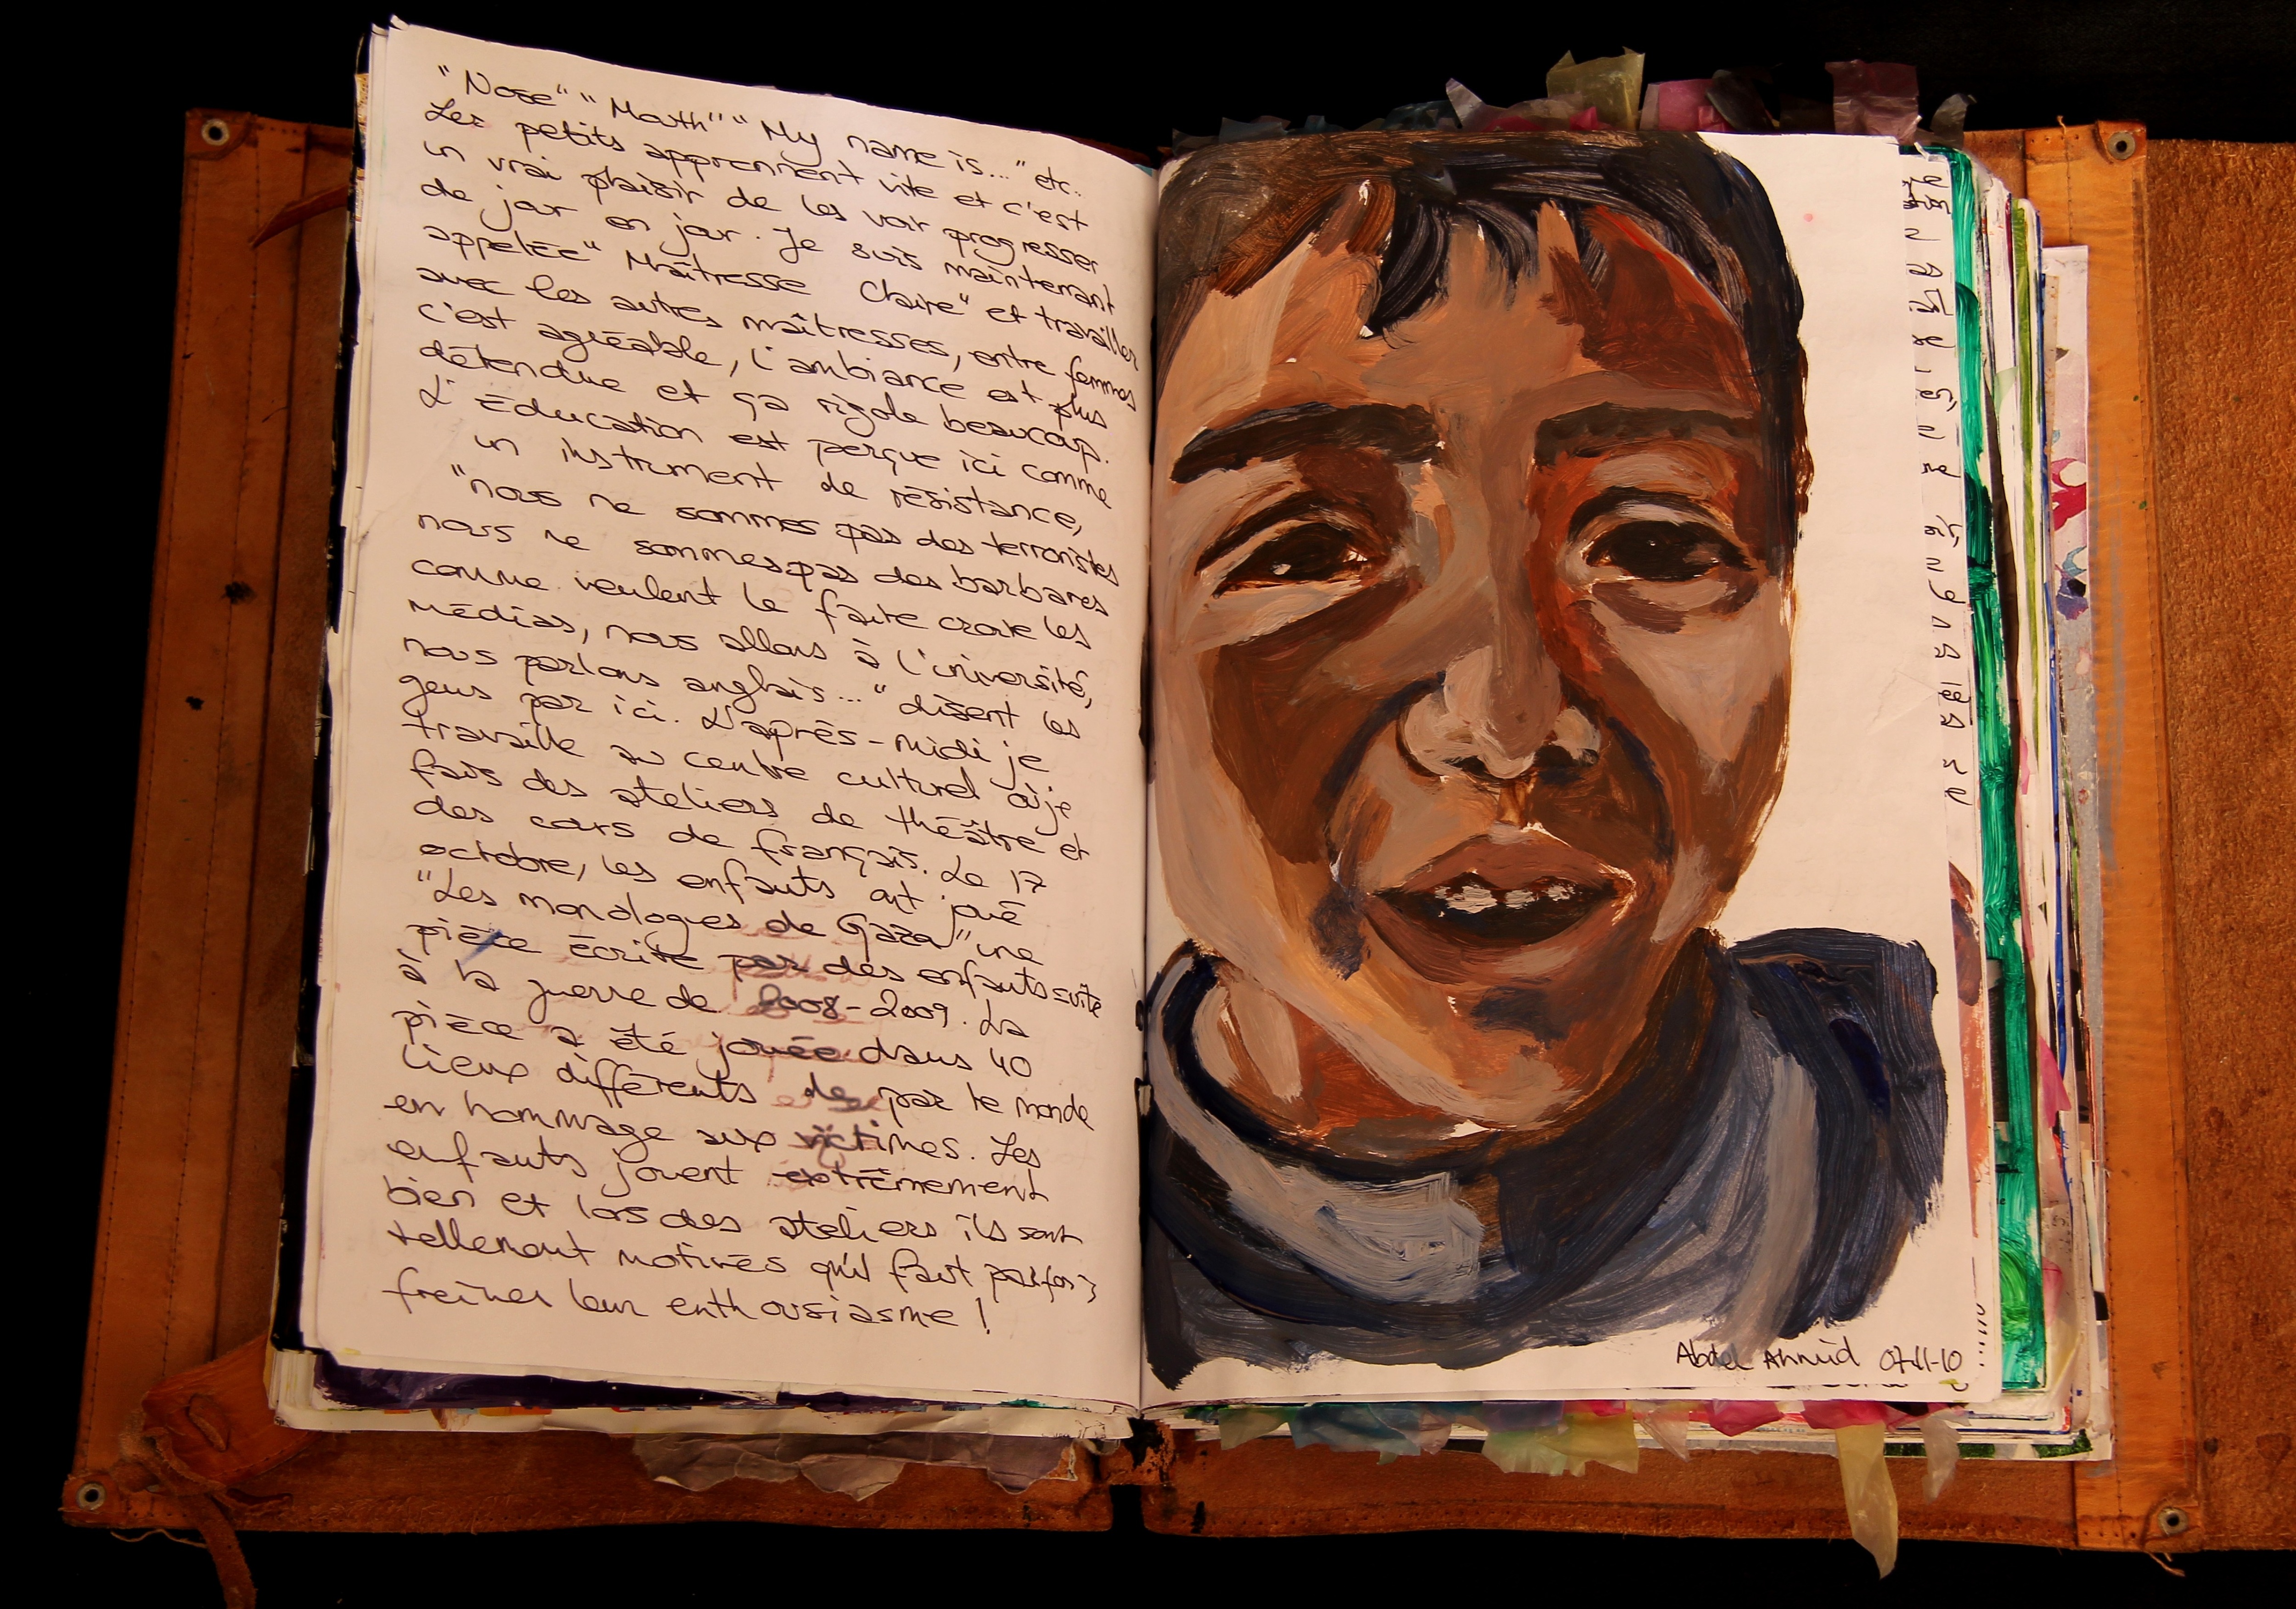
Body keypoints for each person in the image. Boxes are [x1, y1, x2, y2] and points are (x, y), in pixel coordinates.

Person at [1144, 131, 1947, 1386]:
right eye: (1303, 551)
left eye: (1660, 546)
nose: (1508, 723)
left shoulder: (1919, 1113)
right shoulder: (1023, 1209)